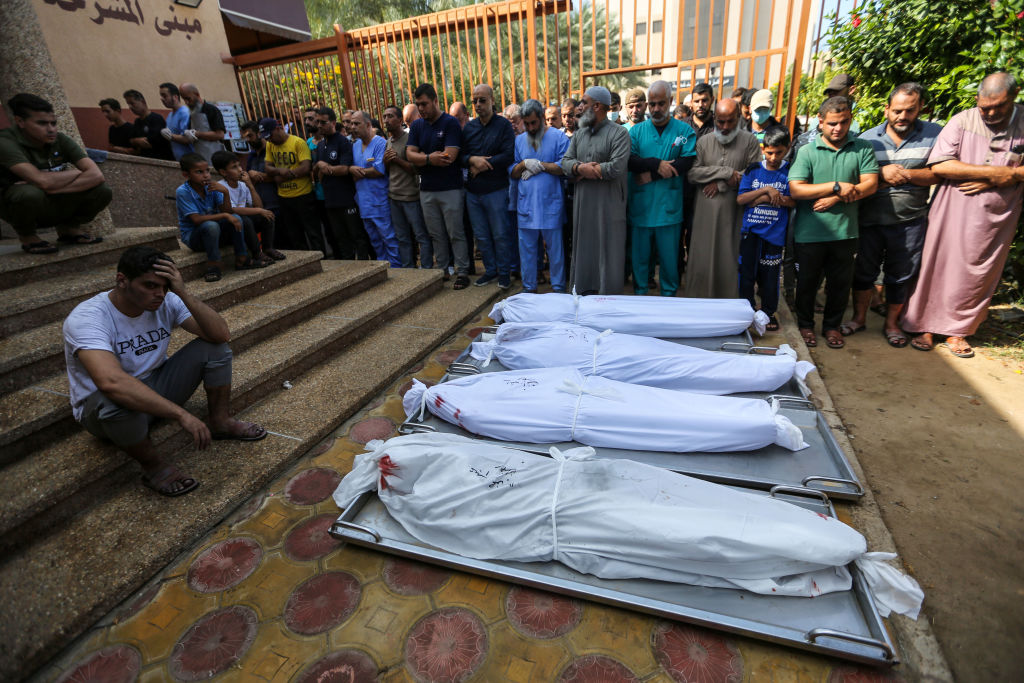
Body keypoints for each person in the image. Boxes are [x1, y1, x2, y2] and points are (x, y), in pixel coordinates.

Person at [63, 245, 267, 496]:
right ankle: (154, 468)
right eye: (150, 286)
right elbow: (111, 382)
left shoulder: (167, 300)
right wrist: (181, 415)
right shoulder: (88, 318)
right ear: (122, 280)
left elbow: (220, 334)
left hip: (156, 383)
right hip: (103, 410)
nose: (159, 294)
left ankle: (220, 421)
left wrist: (182, 292)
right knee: (116, 398)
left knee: (214, 348)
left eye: (165, 286)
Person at [901, 72, 1024, 358]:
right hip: (953, 210)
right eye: (985, 107)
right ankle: (924, 325)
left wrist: (1010, 175)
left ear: (1014, 98)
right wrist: (998, 173)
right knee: (938, 266)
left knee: (979, 273)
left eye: (999, 107)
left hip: (999, 217)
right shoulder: (962, 121)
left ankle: (959, 331)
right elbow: (942, 166)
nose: (991, 113)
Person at [840, 83, 941, 348]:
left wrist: (907, 174)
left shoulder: (934, 135)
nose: (902, 117)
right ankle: (858, 318)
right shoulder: (868, 139)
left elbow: (940, 172)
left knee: (901, 274)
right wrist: (882, 174)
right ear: (886, 109)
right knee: (863, 272)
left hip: (910, 220)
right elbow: (857, 176)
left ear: (920, 108)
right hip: (870, 219)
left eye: (909, 110)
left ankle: (892, 324)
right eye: (897, 110)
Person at [788, 97, 879, 350]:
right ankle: (805, 325)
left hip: (845, 232)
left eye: (843, 122)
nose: (837, 128)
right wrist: (835, 186)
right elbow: (796, 189)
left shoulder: (861, 148)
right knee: (807, 283)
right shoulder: (807, 151)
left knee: (840, 286)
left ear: (850, 119)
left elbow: (870, 184)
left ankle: (831, 326)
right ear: (820, 121)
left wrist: (834, 198)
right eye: (832, 123)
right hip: (810, 232)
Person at [0, 93, 110, 254]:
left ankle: (68, 229)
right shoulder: (5, 142)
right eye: (42, 123)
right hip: (16, 205)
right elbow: (43, 181)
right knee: (28, 193)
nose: (51, 129)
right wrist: (75, 173)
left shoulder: (60, 139)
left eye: (53, 123)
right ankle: (28, 236)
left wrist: (52, 187)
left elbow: (97, 175)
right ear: (20, 122)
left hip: (51, 199)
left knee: (102, 191)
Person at [685, 98, 762, 298]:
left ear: (738, 117)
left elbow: (755, 175)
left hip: (733, 213)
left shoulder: (750, 141)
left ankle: (727, 304)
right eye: (720, 121)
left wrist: (720, 184)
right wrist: (725, 172)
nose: (725, 127)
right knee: (703, 257)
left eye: (730, 121)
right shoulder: (703, 141)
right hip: (705, 214)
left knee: (728, 257)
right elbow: (693, 174)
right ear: (714, 118)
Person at [626, 81, 697, 297]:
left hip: (669, 209)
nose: (656, 109)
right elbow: (630, 161)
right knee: (640, 259)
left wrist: (651, 174)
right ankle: (640, 295)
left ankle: (669, 299)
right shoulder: (636, 132)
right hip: (642, 207)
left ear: (671, 102)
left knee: (669, 260)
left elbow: (686, 162)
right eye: (652, 104)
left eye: (661, 103)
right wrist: (657, 164)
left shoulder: (684, 131)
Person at [560, 86, 631, 295]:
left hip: (608, 207)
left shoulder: (619, 134)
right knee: (584, 248)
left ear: (597, 106)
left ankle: (606, 295)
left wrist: (589, 170)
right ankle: (583, 291)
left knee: (608, 249)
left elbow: (617, 167)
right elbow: (565, 162)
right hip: (584, 207)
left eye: (584, 102)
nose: (579, 107)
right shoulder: (580, 134)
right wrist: (578, 168)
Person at [406, 83, 471, 288]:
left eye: (424, 104)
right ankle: (442, 270)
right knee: (435, 234)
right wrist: (428, 159)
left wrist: (422, 158)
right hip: (427, 189)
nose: (422, 109)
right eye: (418, 105)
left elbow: (449, 156)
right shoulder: (417, 126)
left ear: (435, 100)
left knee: (455, 232)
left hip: (451, 187)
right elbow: (409, 155)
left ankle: (462, 271)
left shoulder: (450, 123)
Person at [736, 126, 795, 331]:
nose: (773, 157)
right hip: (750, 233)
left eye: (779, 152)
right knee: (746, 275)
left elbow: (793, 200)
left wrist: (760, 199)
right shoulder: (753, 170)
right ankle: (746, 312)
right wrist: (766, 191)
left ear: (787, 148)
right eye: (769, 152)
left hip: (774, 235)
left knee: (770, 277)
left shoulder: (790, 171)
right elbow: (741, 198)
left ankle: (768, 313)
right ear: (763, 148)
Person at [175, 152, 261, 281]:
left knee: (237, 218)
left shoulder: (212, 186)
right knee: (211, 225)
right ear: (186, 175)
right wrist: (225, 215)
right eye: (199, 172)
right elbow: (196, 220)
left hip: (215, 233)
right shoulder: (183, 192)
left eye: (207, 171)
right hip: (195, 238)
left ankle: (242, 258)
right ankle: (213, 265)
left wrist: (225, 193)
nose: (206, 175)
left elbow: (228, 211)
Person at [512, 99, 569, 292]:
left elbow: (564, 167)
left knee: (555, 251)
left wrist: (541, 165)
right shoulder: (519, 140)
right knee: (526, 252)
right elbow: (513, 171)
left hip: (550, 204)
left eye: (533, 123)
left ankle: (559, 289)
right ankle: (529, 289)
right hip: (526, 205)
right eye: (526, 124)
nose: (530, 127)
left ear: (542, 119)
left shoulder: (558, 138)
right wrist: (523, 164)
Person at [462, 84, 516, 288]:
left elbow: (508, 154)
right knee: (482, 236)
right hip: (473, 193)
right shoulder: (469, 128)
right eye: (474, 100)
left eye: (482, 100)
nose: (477, 105)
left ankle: (504, 273)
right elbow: (461, 156)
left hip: (496, 190)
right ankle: (490, 270)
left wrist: (483, 165)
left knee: (500, 234)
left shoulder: (503, 125)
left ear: (492, 100)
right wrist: (472, 160)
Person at [312, 107, 373, 261]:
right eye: (317, 121)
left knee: (357, 236)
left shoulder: (343, 143)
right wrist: (320, 165)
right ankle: (350, 272)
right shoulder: (320, 146)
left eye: (323, 122)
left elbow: (345, 169)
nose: (319, 125)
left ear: (333, 123)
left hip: (347, 199)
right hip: (330, 201)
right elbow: (316, 170)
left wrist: (326, 168)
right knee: (341, 239)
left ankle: (367, 268)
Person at [261, 117, 324, 255]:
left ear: (278, 128)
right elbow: (267, 167)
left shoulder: (297, 142)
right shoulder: (271, 145)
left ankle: (323, 260)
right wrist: (280, 171)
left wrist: (282, 176)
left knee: (313, 233)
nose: (269, 140)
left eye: (270, 135)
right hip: (284, 197)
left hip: (303, 195)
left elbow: (306, 167)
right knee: (295, 235)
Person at [349, 110, 401, 267]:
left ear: (368, 124)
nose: (352, 127)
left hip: (379, 201)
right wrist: (360, 172)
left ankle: (398, 270)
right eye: (351, 124)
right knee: (375, 240)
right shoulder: (355, 145)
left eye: (356, 124)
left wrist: (359, 172)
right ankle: (384, 268)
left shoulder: (380, 143)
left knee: (389, 239)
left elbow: (379, 170)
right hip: (364, 203)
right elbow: (354, 173)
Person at [382, 104, 432, 268]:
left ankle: (426, 270)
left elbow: (416, 169)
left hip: (411, 196)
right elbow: (389, 170)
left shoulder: (410, 140)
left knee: (421, 236)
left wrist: (397, 160)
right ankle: (408, 270)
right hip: (394, 196)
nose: (386, 120)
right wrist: (386, 162)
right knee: (402, 237)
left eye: (390, 116)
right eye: (384, 117)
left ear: (400, 120)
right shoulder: (388, 141)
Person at [210, 149, 275, 268]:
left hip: (243, 225)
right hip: (229, 227)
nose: (240, 169)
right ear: (223, 172)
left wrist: (250, 185)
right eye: (234, 167)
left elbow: (259, 206)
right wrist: (259, 210)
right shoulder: (220, 187)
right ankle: (257, 253)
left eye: (239, 165)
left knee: (267, 215)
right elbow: (232, 210)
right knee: (245, 220)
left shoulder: (242, 185)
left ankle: (268, 248)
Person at [239, 120, 286, 261]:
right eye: (245, 137)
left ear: (259, 134)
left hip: (278, 202)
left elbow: (283, 174)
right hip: (261, 205)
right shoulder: (252, 155)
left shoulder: (272, 150)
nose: (248, 140)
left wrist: (261, 176)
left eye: (250, 136)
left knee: (285, 241)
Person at [179, 84, 226, 162]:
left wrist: (197, 134)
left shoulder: (211, 110)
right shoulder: (191, 114)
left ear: (197, 94)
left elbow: (220, 135)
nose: (186, 102)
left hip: (215, 156)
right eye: (184, 99)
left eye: (188, 98)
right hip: (199, 157)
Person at [123, 89, 174, 161]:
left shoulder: (156, 119)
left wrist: (136, 141)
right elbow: (131, 141)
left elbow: (151, 143)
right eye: (128, 104)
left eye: (132, 103)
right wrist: (136, 141)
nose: (130, 107)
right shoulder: (137, 122)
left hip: (160, 160)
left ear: (143, 102)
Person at [158, 82, 194, 161]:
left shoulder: (184, 113)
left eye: (164, 96)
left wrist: (170, 136)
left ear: (175, 97)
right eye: (161, 96)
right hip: (178, 160)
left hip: (189, 161)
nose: (162, 99)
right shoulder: (170, 115)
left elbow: (188, 139)